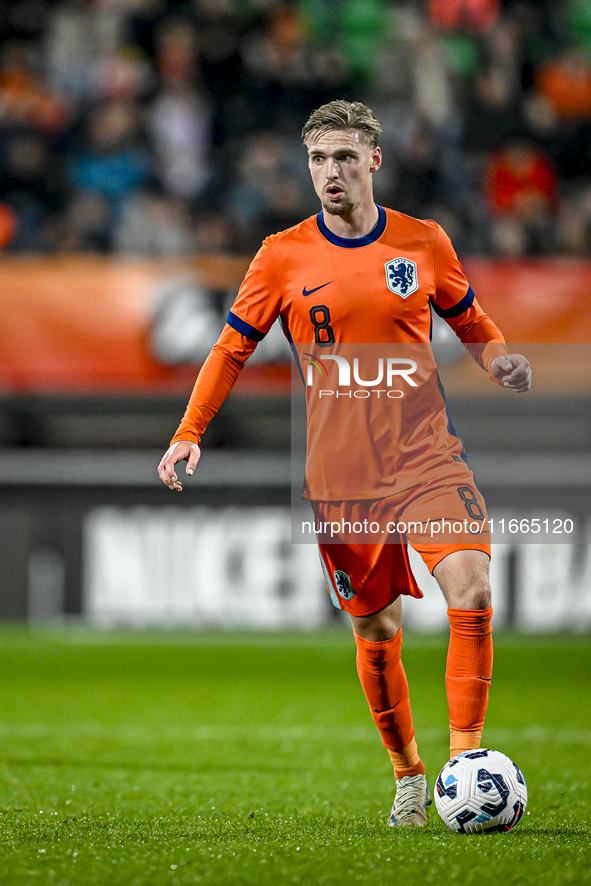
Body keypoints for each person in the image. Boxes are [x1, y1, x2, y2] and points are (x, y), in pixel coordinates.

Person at [157, 100, 531, 827]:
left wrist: (500, 357)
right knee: (377, 631)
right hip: (342, 477)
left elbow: (469, 319)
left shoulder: (422, 242)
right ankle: (409, 778)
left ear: (373, 161)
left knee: (472, 585)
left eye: (344, 157)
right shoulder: (280, 255)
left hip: (426, 456)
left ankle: (466, 763)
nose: (331, 171)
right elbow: (231, 347)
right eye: (319, 159)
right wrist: (188, 429)